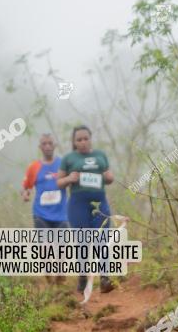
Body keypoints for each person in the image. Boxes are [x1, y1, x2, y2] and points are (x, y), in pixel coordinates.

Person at [56, 125, 115, 295]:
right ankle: (82, 276)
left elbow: (109, 176)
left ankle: (105, 278)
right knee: (82, 241)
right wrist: (69, 178)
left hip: (99, 202)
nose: (82, 142)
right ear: (74, 142)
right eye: (79, 140)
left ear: (90, 139)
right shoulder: (68, 158)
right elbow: (59, 182)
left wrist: (109, 177)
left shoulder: (100, 155)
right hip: (77, 204)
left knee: (102, 239)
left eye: (85, 138)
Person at [22, 134, 69, 283]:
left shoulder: (63, 164)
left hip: (61, 213)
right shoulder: (34, 167)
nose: (47, 146)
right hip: (41, 214)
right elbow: (26, 187)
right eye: (44, 143)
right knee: (44, 247)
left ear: (54, 146)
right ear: (40, 147)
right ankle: (48, 275)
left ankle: (60, 276)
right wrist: (25, 194)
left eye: (50, 143)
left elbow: (72, 182)